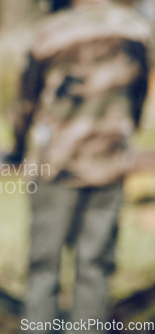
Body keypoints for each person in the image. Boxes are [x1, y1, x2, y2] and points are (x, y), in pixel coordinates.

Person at [9, 0, 151, 332]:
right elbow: (140, 93)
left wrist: (17, 146)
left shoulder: (51, 31)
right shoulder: (137, 29)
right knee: (96, 265)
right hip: (111, 159)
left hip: (56, 163)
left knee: (44, 265)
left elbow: (26, 99)